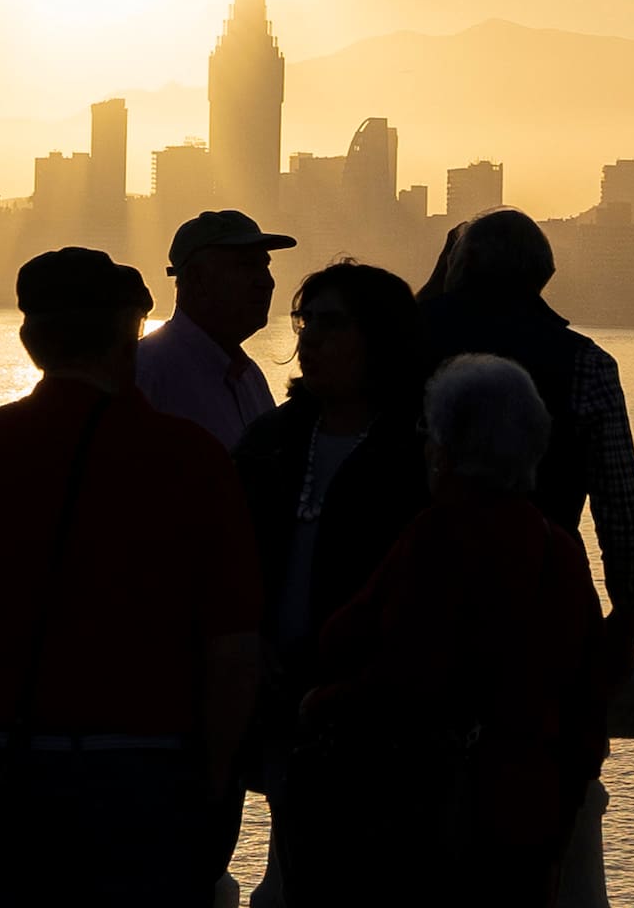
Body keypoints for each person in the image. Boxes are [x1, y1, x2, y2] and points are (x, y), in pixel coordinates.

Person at [0, 246, 262, 908]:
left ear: (30, 339)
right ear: (129, 332)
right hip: (147, 776)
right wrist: (212, 779)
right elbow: (232, 649)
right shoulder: (192, 461)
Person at [287, 354, 606, 908]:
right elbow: (585, 696)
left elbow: (404, 674)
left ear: (446, 447)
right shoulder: (560, 548)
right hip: (525, 816)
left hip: (422, 815)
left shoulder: (440, 536)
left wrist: (322, 702)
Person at [233, 262, 428, 850]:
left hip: (380, 726)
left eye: (333, 323)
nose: (309, 339)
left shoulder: (418, 453)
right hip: (278, 710)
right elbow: (223, 561)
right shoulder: (271, 441)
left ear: (380, 337)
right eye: (305, 321)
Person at [419, 208, 634, 671]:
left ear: (460, 267)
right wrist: (630, 615)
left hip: (418, 596)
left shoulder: (404, 342)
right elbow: (621, 506)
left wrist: (436, 286)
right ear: (544, 277)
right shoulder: (586, 363)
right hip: (542, 598)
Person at [135, 207, 297, 449]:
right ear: (197, 280)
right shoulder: (147, 372)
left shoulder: (249, 376)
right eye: (246, 266)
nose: (266, 281)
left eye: (265, 266)